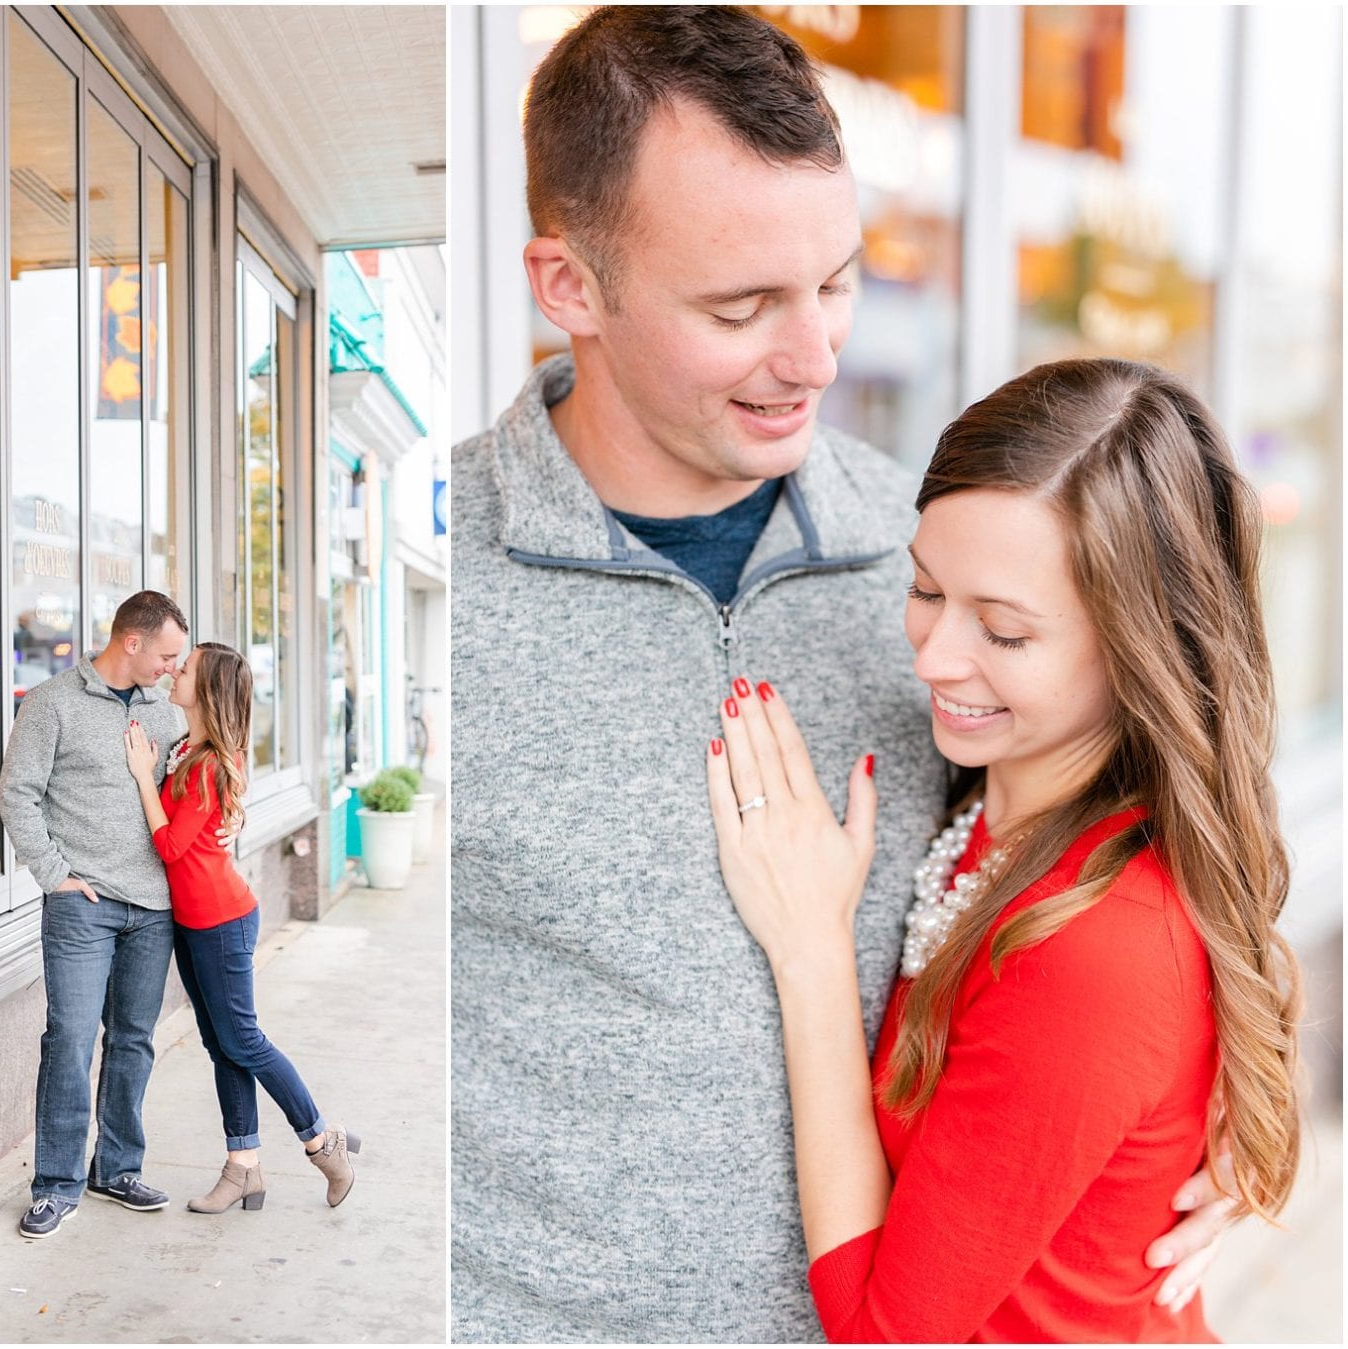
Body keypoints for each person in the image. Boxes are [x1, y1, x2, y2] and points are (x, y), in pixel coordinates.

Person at [450, 8, 1233, 1340]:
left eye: (835, 282)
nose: (815, 357)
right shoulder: (433, 576)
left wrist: (1215, 1131)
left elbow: (1166, 822)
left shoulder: (930, 553)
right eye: (742, 306)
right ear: (568, 285)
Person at [705, 359, 1301, 1340]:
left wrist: (810, 947)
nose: (934, 655)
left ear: (1140, 648)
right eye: (926, 587)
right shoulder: (1003, 800)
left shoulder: (1095, 945)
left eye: (1004, 630)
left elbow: (885, 1332)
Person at [122, 642, 361, 1211]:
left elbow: (173, 846)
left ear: (207, 690)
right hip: (195, 920)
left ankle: (320, 1140)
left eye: (187, 668)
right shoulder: (189, 748)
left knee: (242, 1040)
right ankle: (244, 1167)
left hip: (222, 921)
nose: (175, 671)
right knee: (222, 1044)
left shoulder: (205, 764)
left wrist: (139, 776)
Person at [0, 589, 191, 1239]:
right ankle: (56, 1182)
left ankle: (117, 1167)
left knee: (134, 1041)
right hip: (83, 905)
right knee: (70, 1040)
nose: (172, 666)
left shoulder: (167, 713)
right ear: (130, 642)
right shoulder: (53, 703)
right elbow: (16, 796)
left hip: (155, 907)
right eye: (165, 653)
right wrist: (55, 876)